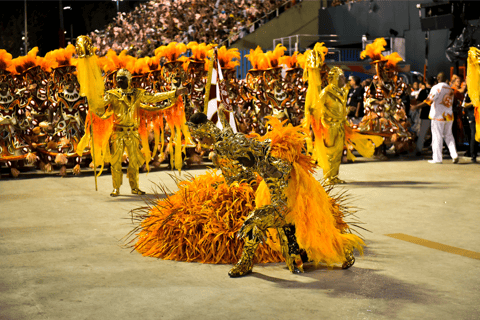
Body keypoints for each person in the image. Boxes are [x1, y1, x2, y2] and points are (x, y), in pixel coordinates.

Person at [74, 35, 187, 196]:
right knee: (115, 163)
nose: (119, 81)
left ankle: (134, 187)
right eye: (117, 78)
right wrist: (92, 98)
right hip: (118, 133)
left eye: (122, 78)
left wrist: (174, 92)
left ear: (129, 80)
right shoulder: (112, 94)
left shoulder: (137, 93)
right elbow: (100, 104)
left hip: (133, 134)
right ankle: (116, 187)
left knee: (134, 162)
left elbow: (154, 98)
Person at [420, 72, 458, 164]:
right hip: (449, 116)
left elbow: (429, 101)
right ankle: (454, 154)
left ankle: (437, 158)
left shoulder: (436, 88)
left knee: (437, 136)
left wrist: (416, 106)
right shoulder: (450, 89)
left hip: (438, 116)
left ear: (437, 79)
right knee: (449, 136)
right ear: (446, 79)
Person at [411, 77, 434, 156]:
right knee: (435, 134)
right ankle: (435, 150)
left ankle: (419, 150)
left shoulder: (423, 92)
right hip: (434, 116)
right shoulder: (435, 91)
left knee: (422, 133)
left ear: (426, 82)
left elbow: (418, 102)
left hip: (425, 115)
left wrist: (416, 107)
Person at [462, 92, 478, 162]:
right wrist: (473, 103)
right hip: (473, 117)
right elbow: (464, 105)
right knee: (474, 135)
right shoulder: (470, 93)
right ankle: (473, 155)